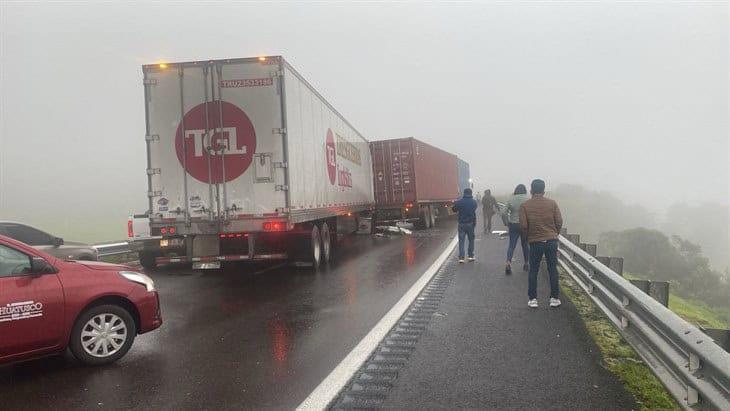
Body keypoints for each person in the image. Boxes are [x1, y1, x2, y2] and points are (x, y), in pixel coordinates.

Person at [519, 179, 563, 309]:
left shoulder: (525, 206)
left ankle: (533, 299)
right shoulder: (552, 204)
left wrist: (528, 238)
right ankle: (554, 298)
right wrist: (555, 234)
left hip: (535, 241)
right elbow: (559, 221)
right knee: (552, 269)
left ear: (531, 190)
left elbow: (523, 226)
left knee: (534, 270)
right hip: (551, 241)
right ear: (544, 190)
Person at [502, 184, 529, 275]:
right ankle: (526, 263)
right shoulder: (527, 199)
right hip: (525, 225)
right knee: (525, 244)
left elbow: (503, 212)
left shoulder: (511, 198)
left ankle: (508, 263)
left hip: (513, 224)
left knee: (511, 245)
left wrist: (506, 222)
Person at [452, 188, 478, 263]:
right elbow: (474, 210)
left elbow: (454, 209)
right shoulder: (474, 202)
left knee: (461, 241)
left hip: (461, 224)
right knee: (471, 240)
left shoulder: (459, 202)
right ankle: (470, 256)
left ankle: (461, 257)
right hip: (470, 224)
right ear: (471, 193)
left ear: (464, 193)